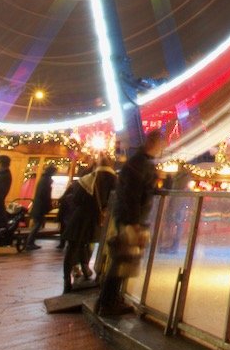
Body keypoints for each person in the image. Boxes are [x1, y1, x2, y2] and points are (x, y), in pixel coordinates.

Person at [95, 130, 162, 316]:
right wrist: (133, 222)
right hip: (130, 219)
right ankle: (107, 303)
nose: (161, 147)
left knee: (124, 260)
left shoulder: (140, 162)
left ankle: (108, 300)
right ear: (152, 142)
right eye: (159, 143)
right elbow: (131, 195)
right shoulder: (139, 164)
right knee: (122, 260)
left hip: (129, 217)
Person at [59, 162, 116, 295]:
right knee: (97, 247)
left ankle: (67, 280)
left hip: (81, 218)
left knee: (72, 248)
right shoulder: (114, 180)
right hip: (99, 220)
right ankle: (96, 276)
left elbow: (76, 200)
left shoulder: (87, 180)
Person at [25, 164, 57, 249]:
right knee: (37, 225)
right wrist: (48, 205)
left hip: (38, 205)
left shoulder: (43, 179)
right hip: (40, 206)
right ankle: (29, 243)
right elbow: (45, 194)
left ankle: (30, 242)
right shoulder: (46, 181)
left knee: (37, 224)